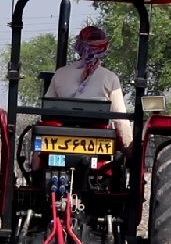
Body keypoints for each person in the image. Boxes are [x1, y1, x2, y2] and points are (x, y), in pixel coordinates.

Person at [44, 25, 133, 154]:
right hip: (98, 140)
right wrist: (128, 146)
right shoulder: (110, 78)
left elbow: (47, 109)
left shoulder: (60, 73)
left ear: (79, 47)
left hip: (60, 138)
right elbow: (119, 119)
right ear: (103, 48)